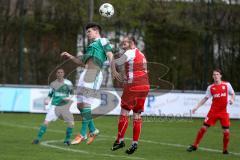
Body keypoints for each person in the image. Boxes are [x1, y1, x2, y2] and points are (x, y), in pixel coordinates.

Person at [61, 22, 120, 145]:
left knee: (86, 103)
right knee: (80, 105)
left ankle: (82, 134)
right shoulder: (91, 46)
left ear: (96, 31)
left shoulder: (102, 40)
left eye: (89, 31)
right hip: (85, 73)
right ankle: (93, 130)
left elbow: (110, 54)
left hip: (94, 74)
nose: (87, 34)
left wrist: (113, 68)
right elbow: (82, 62)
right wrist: (70, 56)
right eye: (86, 32)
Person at [111, 36, 150, 154]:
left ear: (132, 43)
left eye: (125, 41)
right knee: (137, 114)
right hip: (145, 86)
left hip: (134, 86)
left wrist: (110, 57)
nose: (122, 42)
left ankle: (120, 140)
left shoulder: (130, 52)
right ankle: (134, 143)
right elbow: (145, 70)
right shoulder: (141, 54)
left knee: (124, 112)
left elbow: (118, 62)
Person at [187, 69, 235, 154]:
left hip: (224, 112)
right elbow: (205, 98)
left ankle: (225, 150)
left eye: (217, 74)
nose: (216, 76)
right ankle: (195, 145)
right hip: (213, 112)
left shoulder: (227, 85)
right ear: (213, 76)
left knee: (226, 132)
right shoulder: (211, 87)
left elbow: (233, 93)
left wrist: (232, 99)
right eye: (214, 75)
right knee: (203, 128)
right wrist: (196, 107)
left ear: (220, 76)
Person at [32, 68, 74, 145]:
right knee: (46, 123)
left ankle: (67, 140)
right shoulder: (53, 84)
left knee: (71, 123)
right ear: (56, 74)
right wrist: (47, 100)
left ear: (63, 74)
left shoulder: (68, 83)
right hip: (54, 106)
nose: (60, 73)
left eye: (61, 72)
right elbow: (50, 94)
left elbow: (72, 94)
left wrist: (68, 98)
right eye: (58, 72)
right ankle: (37, 139)